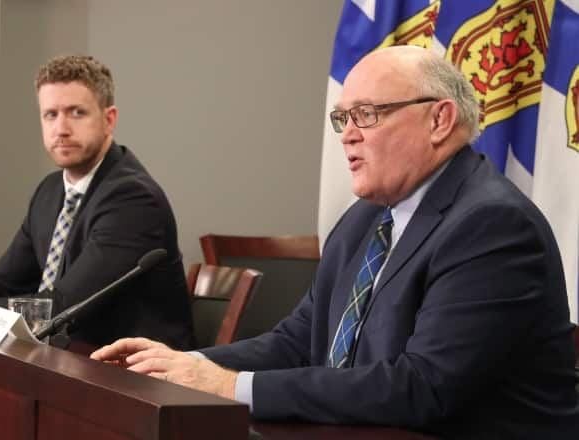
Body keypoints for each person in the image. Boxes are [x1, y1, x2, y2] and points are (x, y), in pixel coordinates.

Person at [91, 46, 579, 438]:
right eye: (342, 119)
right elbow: (300, 340)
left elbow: (423, 386)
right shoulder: (364, 219)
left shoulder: (492, 226)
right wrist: (184, 365)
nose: (347, 136)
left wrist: (233, 386)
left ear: (439, 120)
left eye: (366, 115)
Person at [0, 55, 194, 350]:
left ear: (109, 120)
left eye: (76, 113)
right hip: (71, 363)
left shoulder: (133, 200)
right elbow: (1, 282)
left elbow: (61, 309)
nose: (61, 129)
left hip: (134, 378)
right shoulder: (50, 191)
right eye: (50, 115)